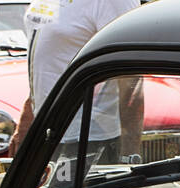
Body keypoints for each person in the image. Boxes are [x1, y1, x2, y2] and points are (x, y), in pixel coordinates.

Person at [10, 0, 141, 158]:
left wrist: (130, 155)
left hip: (86, 139)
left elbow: (132, 80)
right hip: (44, 133)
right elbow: (49, 62)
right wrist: (27, 121)